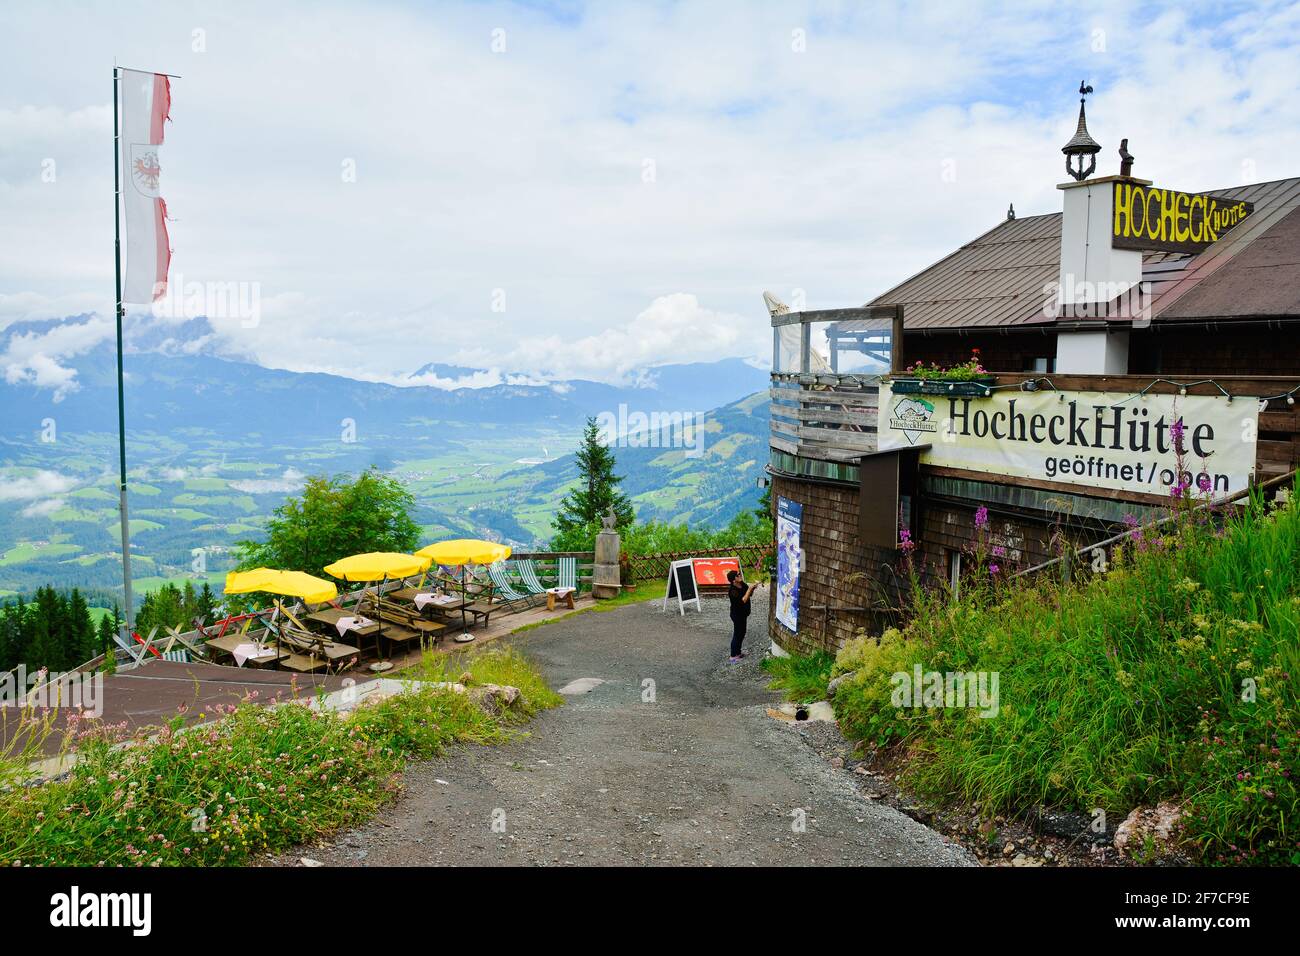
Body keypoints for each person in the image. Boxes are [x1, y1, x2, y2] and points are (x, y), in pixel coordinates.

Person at [726, 568, 759, 663]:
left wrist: (752, 589)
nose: (740, 575)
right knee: (737, 634)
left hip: (743, 614)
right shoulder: (732, 591)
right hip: (737, 615)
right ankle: (733, 656)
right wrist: (749, 588)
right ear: (733, 580)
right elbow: (743, 600)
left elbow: (749, 595)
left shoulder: (742, 584)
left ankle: (738, 653)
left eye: (739, 573)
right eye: (737, 575)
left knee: (742, 633)